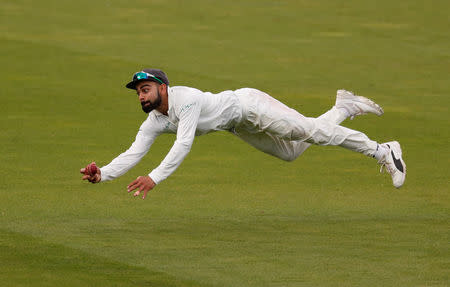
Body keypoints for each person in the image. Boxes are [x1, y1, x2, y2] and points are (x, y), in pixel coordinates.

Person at [80, 68, 406, 199]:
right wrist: (103, 174)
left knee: (313, 133)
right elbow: (134, 152)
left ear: (163, 88)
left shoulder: (187, 99)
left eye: (146, 88)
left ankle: (383, 151)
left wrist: (154, 177)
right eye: (138, 92)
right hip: (239, 125)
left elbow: (184, 142)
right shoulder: (154, 120)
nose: (141, 95)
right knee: (291, 151)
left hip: (250, 106)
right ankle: (344, 108)